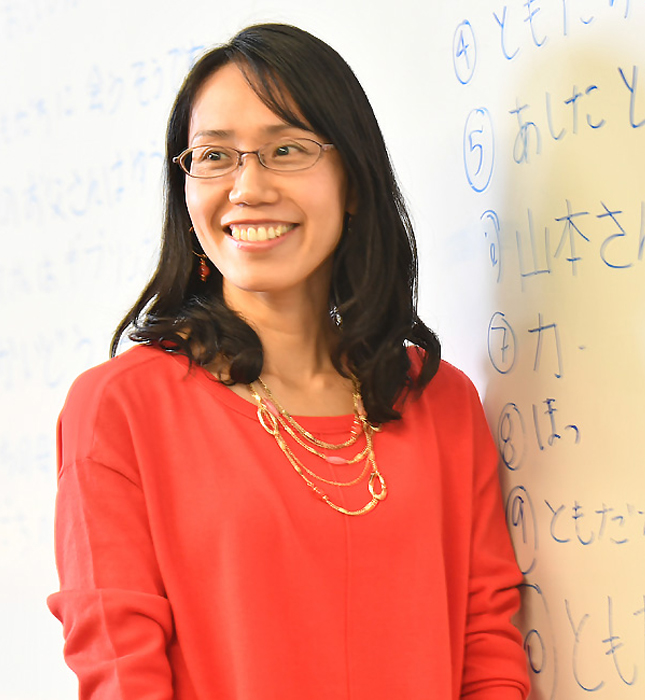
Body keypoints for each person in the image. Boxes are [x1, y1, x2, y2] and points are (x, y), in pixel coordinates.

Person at [48, 23, 530, 700]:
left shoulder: (439, 400)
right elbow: (122, 674)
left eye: (286, 149)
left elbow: (487, 648)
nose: (248, 186)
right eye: (214, 157)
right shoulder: (121, 407)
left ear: (353, 181)